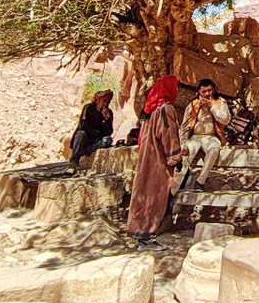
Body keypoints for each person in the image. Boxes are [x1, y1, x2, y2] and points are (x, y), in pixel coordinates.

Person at [127, 75, 182, 243]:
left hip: (146, 156)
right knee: (155, 192)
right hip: (158, 159)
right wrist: (175, 157)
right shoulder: (165, 109)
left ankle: (136, 226)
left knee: (143, 189)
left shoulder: (150, 110)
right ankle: (147, 230)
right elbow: (167, 134)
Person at [178, 78, 232, 190]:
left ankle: (200, 181)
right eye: (204, 91)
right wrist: (183, 143)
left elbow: (226, 120)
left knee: (214, 149)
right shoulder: (192, 104)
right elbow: (185, 126)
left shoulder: (220, 102)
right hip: (195, 137)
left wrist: (212, 107)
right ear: (198, 92)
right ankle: (179, 182)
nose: (207, 94)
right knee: (187, 153)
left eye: (210, 90)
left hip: (212, 137)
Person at [69, 90, 114, 169]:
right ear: (98, 100)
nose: (106, 104)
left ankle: (85, 151)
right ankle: (74, 161)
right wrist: (95, 133)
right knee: (80, 134)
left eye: (108, 101)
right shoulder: (88, 108)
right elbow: (83, 125)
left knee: (108, 140)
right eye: (104, 101)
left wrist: (107, 120)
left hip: (96, 140)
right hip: (86, 137)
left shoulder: (109, 113)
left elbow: (108, 132)